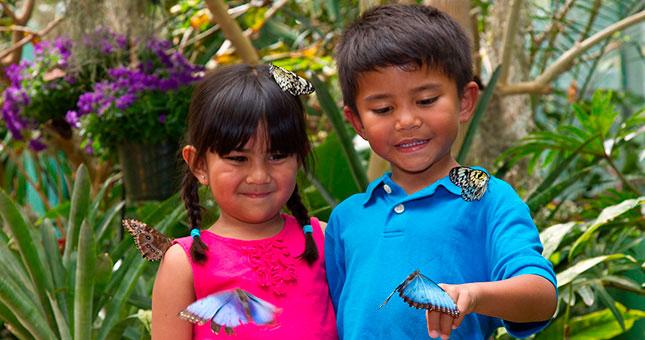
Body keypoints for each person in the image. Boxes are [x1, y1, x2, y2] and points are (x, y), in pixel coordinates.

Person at [325, 4, 557, 340]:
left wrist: (474, 296)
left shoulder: (487, 200)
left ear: (465, 101)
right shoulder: (347, 219)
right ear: (358, 122)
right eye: (383, 109)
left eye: (426, 100)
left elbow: (541, 297)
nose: (407, 121)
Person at [152, 63, 337, 339]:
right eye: (238, 159)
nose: (259, 175)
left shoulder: (325, 240)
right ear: (199, 164)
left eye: (276, 156)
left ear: (299, 156)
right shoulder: (183, 265)